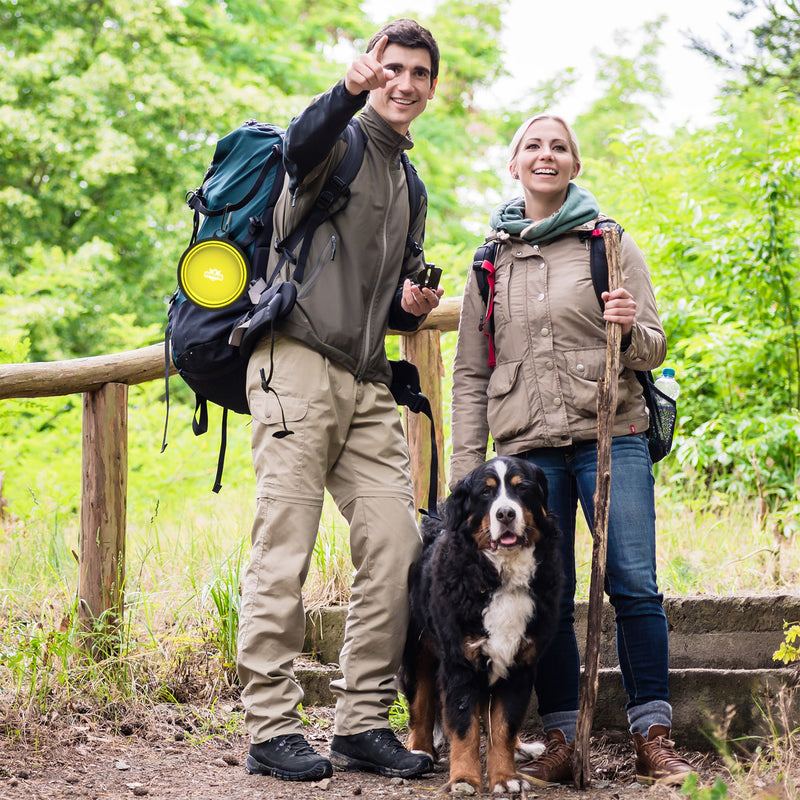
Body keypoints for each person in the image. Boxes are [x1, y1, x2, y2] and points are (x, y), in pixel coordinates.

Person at [450, 113, 695, 786]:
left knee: (634, 584)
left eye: (559, 147)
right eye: (533, 146)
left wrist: (628, 329)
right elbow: (470, 372)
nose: (546, 155)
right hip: (525, 457)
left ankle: (653, 734)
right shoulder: (489, 260)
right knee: (546, 596)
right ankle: (561, 736)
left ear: (574, 165)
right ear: (514, 165)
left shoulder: (607, 242)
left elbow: (654, 342)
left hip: (610, 436)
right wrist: (468, 471)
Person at [237, 19, 443, 783]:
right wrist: (344, 90)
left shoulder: (409, 181)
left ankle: (361, 722)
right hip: (294, 365)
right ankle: (269, 728)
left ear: (430, 85)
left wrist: (411, 305)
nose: (405, 83)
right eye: (392, 68)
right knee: (283, 547)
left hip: (367, 382)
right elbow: (298, 147)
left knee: (397, 544)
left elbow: (384, 304)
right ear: (372, 71)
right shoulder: (340, 142)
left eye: (419, 73)